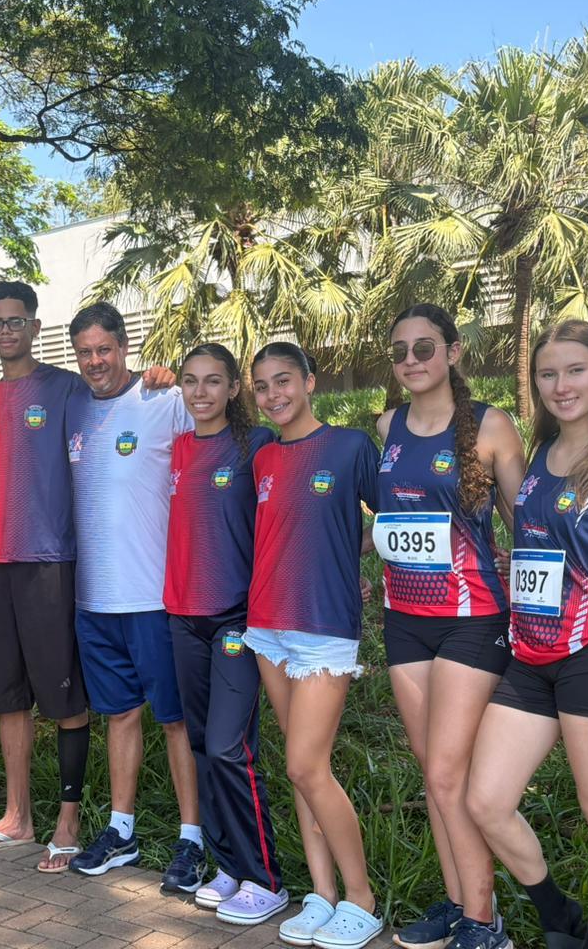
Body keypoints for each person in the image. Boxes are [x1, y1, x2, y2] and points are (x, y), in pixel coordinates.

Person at [0, 281, 172, 870]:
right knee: (6, 698)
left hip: (54, 562)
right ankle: (18, 816)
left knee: (64, 698)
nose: (6, 331)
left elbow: (120, 395)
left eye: (16, 320)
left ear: (34, 325)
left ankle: (69, 820)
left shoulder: (69, 386)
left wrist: (161, 374)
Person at [466, 321, 588, 949]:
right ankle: (558, 915)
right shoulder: (537, 460)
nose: (560, 385)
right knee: (486, 800)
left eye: (575, 370)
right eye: (547, 374)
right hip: (531, 654)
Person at [372, 306, 526, 949]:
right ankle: (459, 899)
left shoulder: (491, 426)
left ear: (454, 352)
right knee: (430, 767)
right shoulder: (386, 425)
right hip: (404, 619)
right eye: (402, 350)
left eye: (425, 347)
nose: (412, 360)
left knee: (445, 772)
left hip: (471, 619)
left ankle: (486, 920)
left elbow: (529, 522)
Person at [245, 343, 383, 949]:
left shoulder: (351, 447)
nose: (274, 395)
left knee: (306, 764)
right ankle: (322, 895)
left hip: (326, 626)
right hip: (266, 625)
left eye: (283, 382)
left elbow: (400, 513)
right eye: (262, 387)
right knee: (303, 770)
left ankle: (362, 899)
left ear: (309, 381)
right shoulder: (262, 457)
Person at [63, 302, 202, 887]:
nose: (96, 361)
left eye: (104, 349)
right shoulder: (72, 410)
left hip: (154, 596)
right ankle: (122, 830)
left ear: (124, 347)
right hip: (93, 600)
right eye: (85, 351)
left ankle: (193, 839)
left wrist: (174, 373)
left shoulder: (163, 401)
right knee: (119, 715)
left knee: (174, 721)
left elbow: (219, 437)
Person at [164, 343, 286, 923]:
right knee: (198, 745)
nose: (201, 392)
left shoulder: (256, 444)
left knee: (228, 747)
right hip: (181, 616)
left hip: (236, 616)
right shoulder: (179, 447)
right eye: (190, 381)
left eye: (214, 381)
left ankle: (266, 877)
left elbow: (295, 509)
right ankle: (229, 866)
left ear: (235, 388)